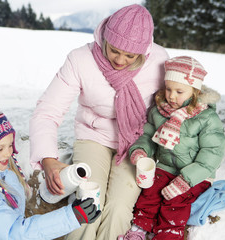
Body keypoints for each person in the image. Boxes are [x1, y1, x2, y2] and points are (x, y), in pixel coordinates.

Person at [29, 4, 170, 240]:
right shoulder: (80, 59)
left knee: (118, 207)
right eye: (114, 50)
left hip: (136, 143)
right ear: (104, 38)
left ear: (144, 51)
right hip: (93, 137)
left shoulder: (159, 61)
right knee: (89, 200)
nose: (120, 60)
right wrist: (49, 160)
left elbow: (176, 101)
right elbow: (48, 110)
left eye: (130, 55)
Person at [0, 107, 101, 240]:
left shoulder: (4, 172)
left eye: (9, 145)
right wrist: (72, 217)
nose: (8, 153)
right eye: (0, 149)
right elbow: (14, 232)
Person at [118, 56, 225, 240]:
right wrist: (141, 151)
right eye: (168, 89)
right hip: (166, 168)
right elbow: (147, 136)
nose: (171, 96)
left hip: (196, 176)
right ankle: (139, 229)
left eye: (179, 91)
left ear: (194, 91)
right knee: (150, 191)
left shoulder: (207, 118)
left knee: (175, 199)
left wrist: (186, 180)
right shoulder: (159, 111)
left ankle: (169, 235)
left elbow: (212, 154)